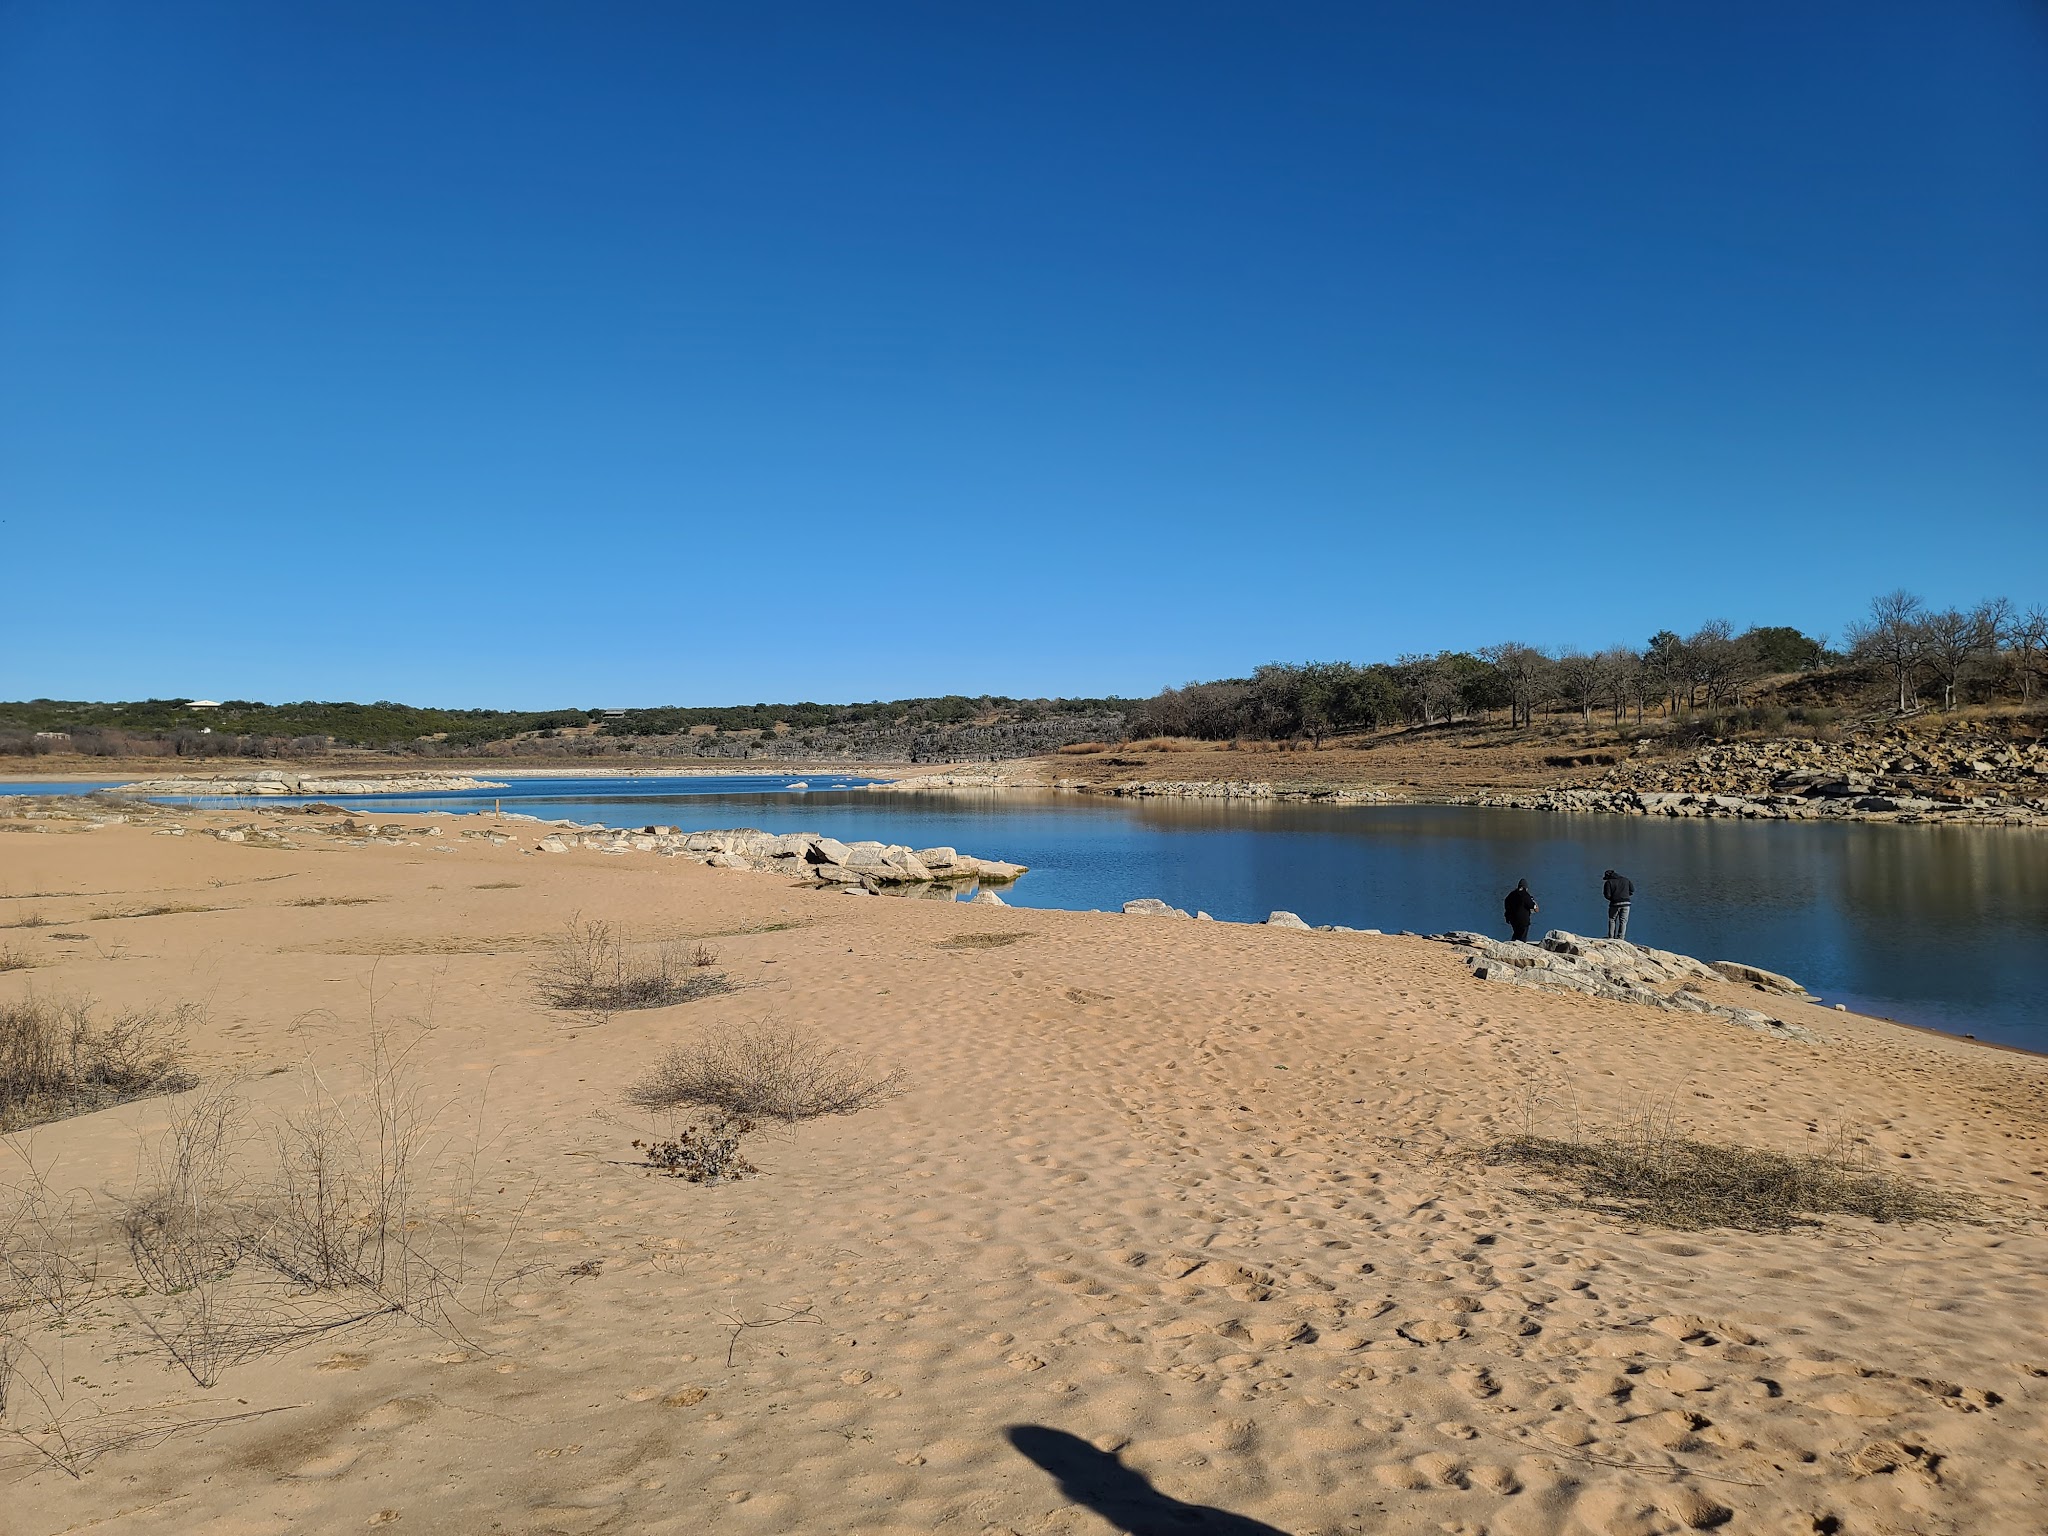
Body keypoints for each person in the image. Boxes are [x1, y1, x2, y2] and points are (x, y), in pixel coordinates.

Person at [1603, 868, 1634, 939]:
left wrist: (1613, 899)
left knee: (1612, 919)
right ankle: (1621, 938)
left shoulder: (1609, 882)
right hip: (1626, 903)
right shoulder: (1626, 880)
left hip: (1615, 904)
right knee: (1623, 921)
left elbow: (1607, 895)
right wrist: (1626, 895)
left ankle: (1611, 937)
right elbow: (1632, 890)